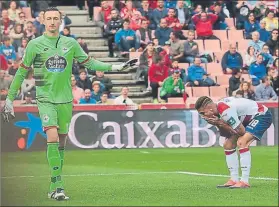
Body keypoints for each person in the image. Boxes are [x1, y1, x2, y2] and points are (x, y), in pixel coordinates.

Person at [1, 7, 135, 201]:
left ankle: (54, 185)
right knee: (53, 137)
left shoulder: (70, 43)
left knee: (61, 142)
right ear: (43, 20)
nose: (53, 22)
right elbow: (21, 73)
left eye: (56, 18)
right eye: (49, 19)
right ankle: (58, 185)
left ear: (60, 20)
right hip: (45, 98)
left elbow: (90, 63)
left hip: (65, 99)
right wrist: (10, 99)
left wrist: (116, 66)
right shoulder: (34, 45)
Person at [195, 96, 273, 188]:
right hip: (244, 120)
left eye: (203, 113)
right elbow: (226, 133)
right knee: (228, 145)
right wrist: (218, 123)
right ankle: (234, 179)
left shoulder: (225, 110)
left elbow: (241, 132)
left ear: (210, 109)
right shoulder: (216, 114)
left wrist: (221, 123)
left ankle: (244, 181)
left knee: (242, 141)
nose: (203, 116)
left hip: (261, 114)